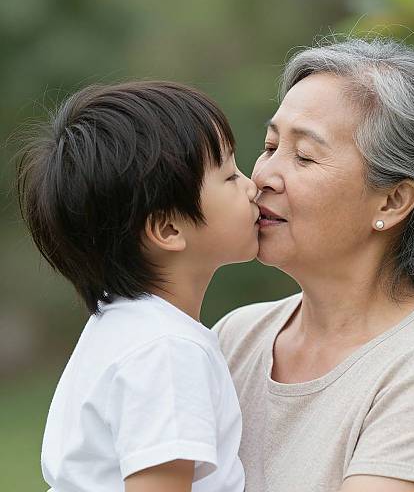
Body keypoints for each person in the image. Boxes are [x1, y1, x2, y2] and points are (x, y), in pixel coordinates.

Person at [214, 38, 414, 492]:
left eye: (305, 156)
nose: (263, 177)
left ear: (393, 201)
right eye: (271, 146)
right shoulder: (233, 338)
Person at [16, 81, 260, 492]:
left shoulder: (119, 330)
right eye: (230, 176)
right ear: (167, 228)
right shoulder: (167, 350)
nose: (253, 186)